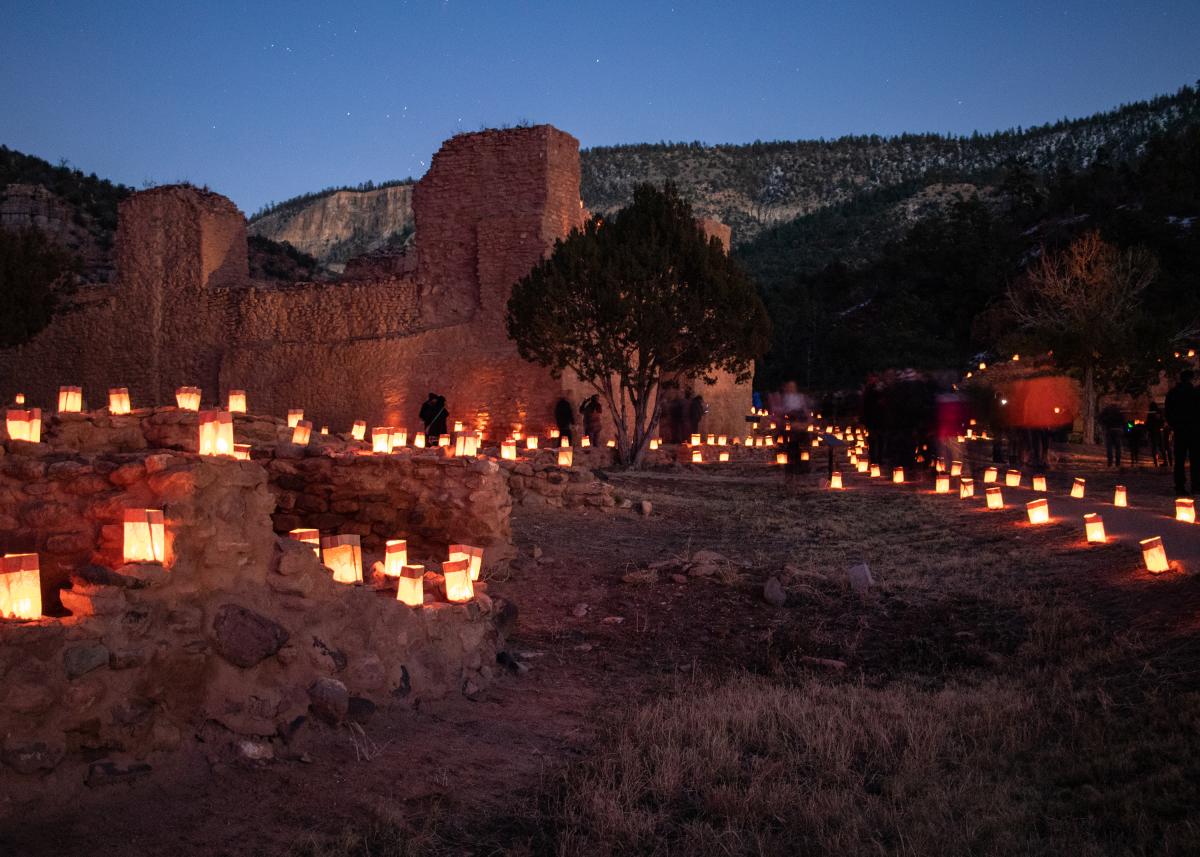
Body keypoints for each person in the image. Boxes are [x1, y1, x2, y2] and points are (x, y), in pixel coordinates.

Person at [1165, 369, 1198, 496]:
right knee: (1195, 459)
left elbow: (1168, 412)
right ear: (1191, 379)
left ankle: (1180, 485)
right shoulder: (1195, 393)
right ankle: (1196, 485)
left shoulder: (1173, 393)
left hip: (1180, 430)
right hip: (1194, 430)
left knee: (1179, 459)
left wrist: (1174, 425)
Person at [1098, 403, 1125, 468]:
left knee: (1110, 447)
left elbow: (1100, 418)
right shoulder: (1120, 410)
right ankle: (1117, 463)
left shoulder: (1107, 409)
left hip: (1110, 430)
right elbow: (1124, 420)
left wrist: (1104, 423)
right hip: (1117, 430)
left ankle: (1110, 463)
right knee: (1117, 448)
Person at [1147, 402, 1169, 467]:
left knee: (1155, 447)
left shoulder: (1151, 414)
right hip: (1159, 432)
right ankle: (1165, 461)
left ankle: (1157, 462)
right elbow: (1163, 422)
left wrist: (1148, 430)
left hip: (1154, 432)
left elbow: (1148, 424)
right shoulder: (1159, 412)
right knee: (1161, 447)